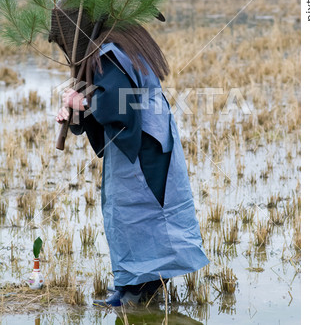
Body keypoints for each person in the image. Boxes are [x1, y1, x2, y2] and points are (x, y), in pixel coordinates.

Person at [56, 24, 209, 307]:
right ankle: (148, 283)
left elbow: (117, 103)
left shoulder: (108, 52)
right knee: (150, 206)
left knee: (130, 208)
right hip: (152, 132)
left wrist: (82, 102)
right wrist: (76, 106)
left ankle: (133, 290)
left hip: (140, 139)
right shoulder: (123, 43)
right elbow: (108, 96)